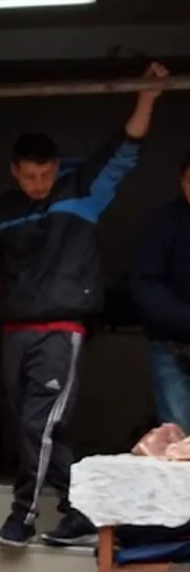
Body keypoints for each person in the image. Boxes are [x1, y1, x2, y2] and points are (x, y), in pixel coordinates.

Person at [0, 63, 168, 549]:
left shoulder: (82, 192)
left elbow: (125, 150)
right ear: (14, 172)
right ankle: (84, 507)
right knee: (35, 429)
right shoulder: (2, 211)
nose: (38, 184)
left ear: (57, 167)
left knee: (38, 425)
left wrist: (147, 95)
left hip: (63, 330)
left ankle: (22, 516)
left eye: (45, 174)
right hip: (15, 329)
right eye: (28, 176)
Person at [130, 152, 190, 430]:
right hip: (171, 346)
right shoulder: (163, 222)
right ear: (182, 181)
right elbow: (145, 284)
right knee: (176, 435)